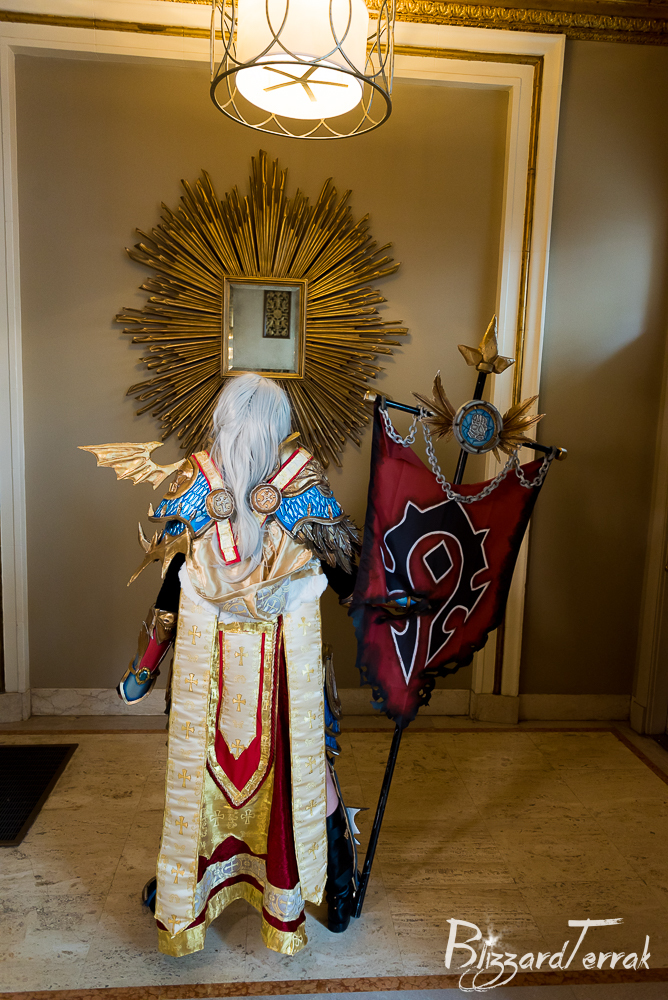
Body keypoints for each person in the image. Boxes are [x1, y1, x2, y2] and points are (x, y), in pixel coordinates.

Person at [81, 374, 359, 957]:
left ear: (222, 422)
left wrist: (144, 667)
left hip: (210, 666)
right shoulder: (303, 481)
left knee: (200, 782)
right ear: (278, 427)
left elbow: (171, 589)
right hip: (279, 666)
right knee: (306, 773)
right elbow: (347, 578)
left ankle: (188, 889)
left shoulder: (195, 481)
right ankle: (337, 889)